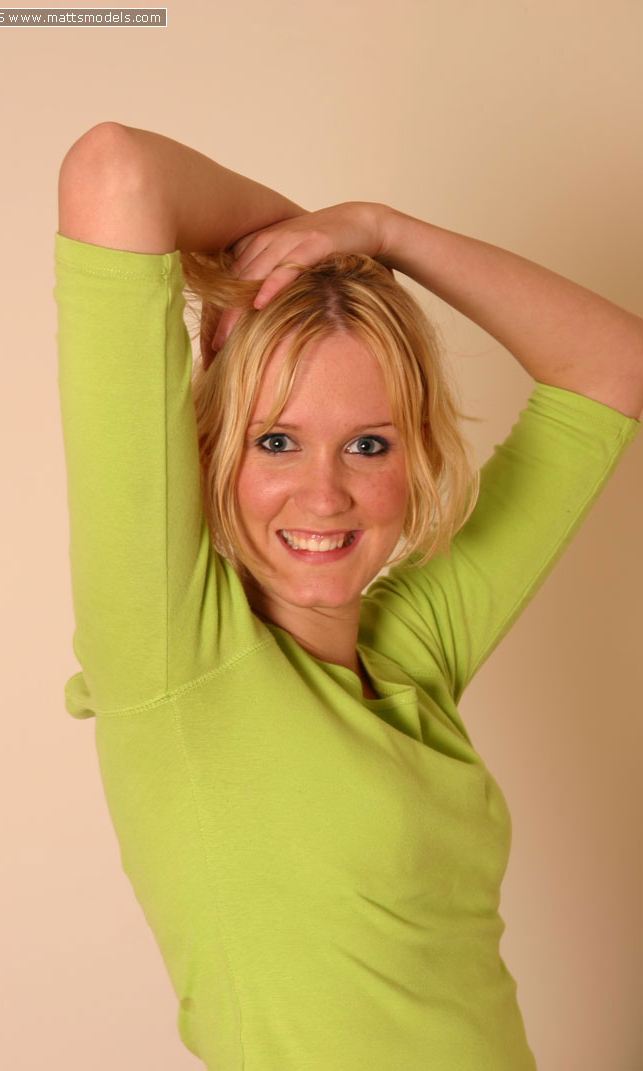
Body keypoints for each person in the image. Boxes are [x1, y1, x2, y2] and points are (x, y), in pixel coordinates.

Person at [54, 122, 642, 1070]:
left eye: (368, 444)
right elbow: (115, 170)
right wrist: (301, 246)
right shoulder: (174, 651)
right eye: (275, 441)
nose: (324, 495)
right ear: (209, 450)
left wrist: (379, 231)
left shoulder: (411, 651)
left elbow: (613, 365)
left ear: (416, 459)